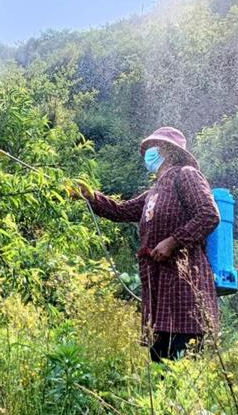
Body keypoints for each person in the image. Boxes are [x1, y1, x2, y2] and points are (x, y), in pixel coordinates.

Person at [74, 126, 220, 362]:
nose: (149, 153)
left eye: (156, 148)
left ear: (169, 152)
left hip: (184, 287)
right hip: (159, 290)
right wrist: (89, 195)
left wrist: (172, 242)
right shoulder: (153, 192)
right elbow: (120, 211)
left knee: (183, 361)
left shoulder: (186, 175)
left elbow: (209, 214)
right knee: (160, 358)